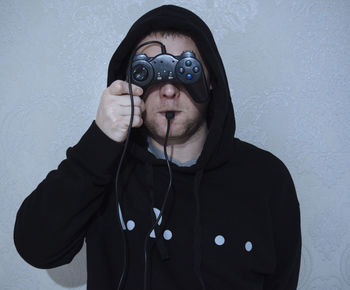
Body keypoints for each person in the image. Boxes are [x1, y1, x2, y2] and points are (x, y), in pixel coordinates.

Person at [13, 5, 302, 290]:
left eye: (186, 69)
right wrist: (99, 141)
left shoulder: (266, 178)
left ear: (211, 79)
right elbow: (36, 247)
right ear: (127, 83)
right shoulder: (106, 170)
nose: (168, 89)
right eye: (148, 71)